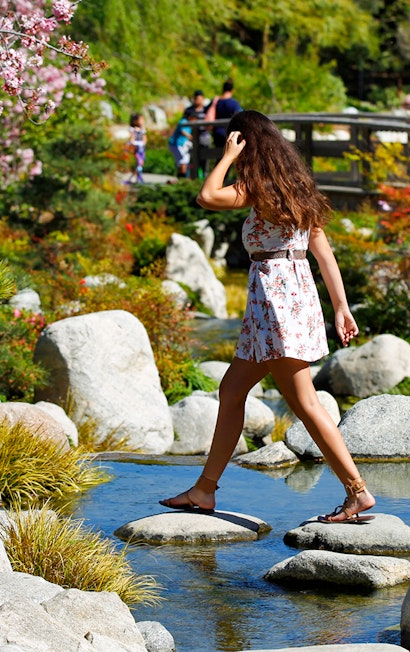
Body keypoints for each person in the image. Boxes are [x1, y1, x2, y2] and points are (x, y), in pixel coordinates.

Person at [158, 110, 376, 524]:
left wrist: (224, 157)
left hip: (277, 305)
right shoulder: (294, 188)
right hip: (284, 302)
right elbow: (324, 256)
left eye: (237, 144)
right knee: (232, 390)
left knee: (306, 403)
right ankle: (205, 490)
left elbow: (206, 195)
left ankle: (358, 492)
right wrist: (341, 307)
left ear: (245, 143)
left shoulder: (257, 189)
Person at [205, 78, 242, 147]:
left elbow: (205, 111)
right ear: (232, 90)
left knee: (218, 155)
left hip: (217, 132)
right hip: (230, 133)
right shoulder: (234, 103)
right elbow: (240, 116)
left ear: (223, 89)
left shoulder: (216, 101)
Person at [168, 107, 197, 179]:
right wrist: (190, 137)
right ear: (190, 117)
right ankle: (183, 179)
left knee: (181, 162)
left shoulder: (188, 122)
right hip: (176, 144)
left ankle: (180, 178)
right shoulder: (183, 121)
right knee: (184, 160)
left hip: (181, 144)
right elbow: (182, 131)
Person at [127, 112, 147, 184]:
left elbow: (145, 138)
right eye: (141, 120)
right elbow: (132, 138)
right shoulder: (132, 129)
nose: (142, 121)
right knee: (139, 162)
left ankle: (136, 176)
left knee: (141, 163)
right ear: (135, 121)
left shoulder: (142, 130)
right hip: (136, 149)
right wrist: (133, 143)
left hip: (141, 148)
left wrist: (143, 143)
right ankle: (136, 177)